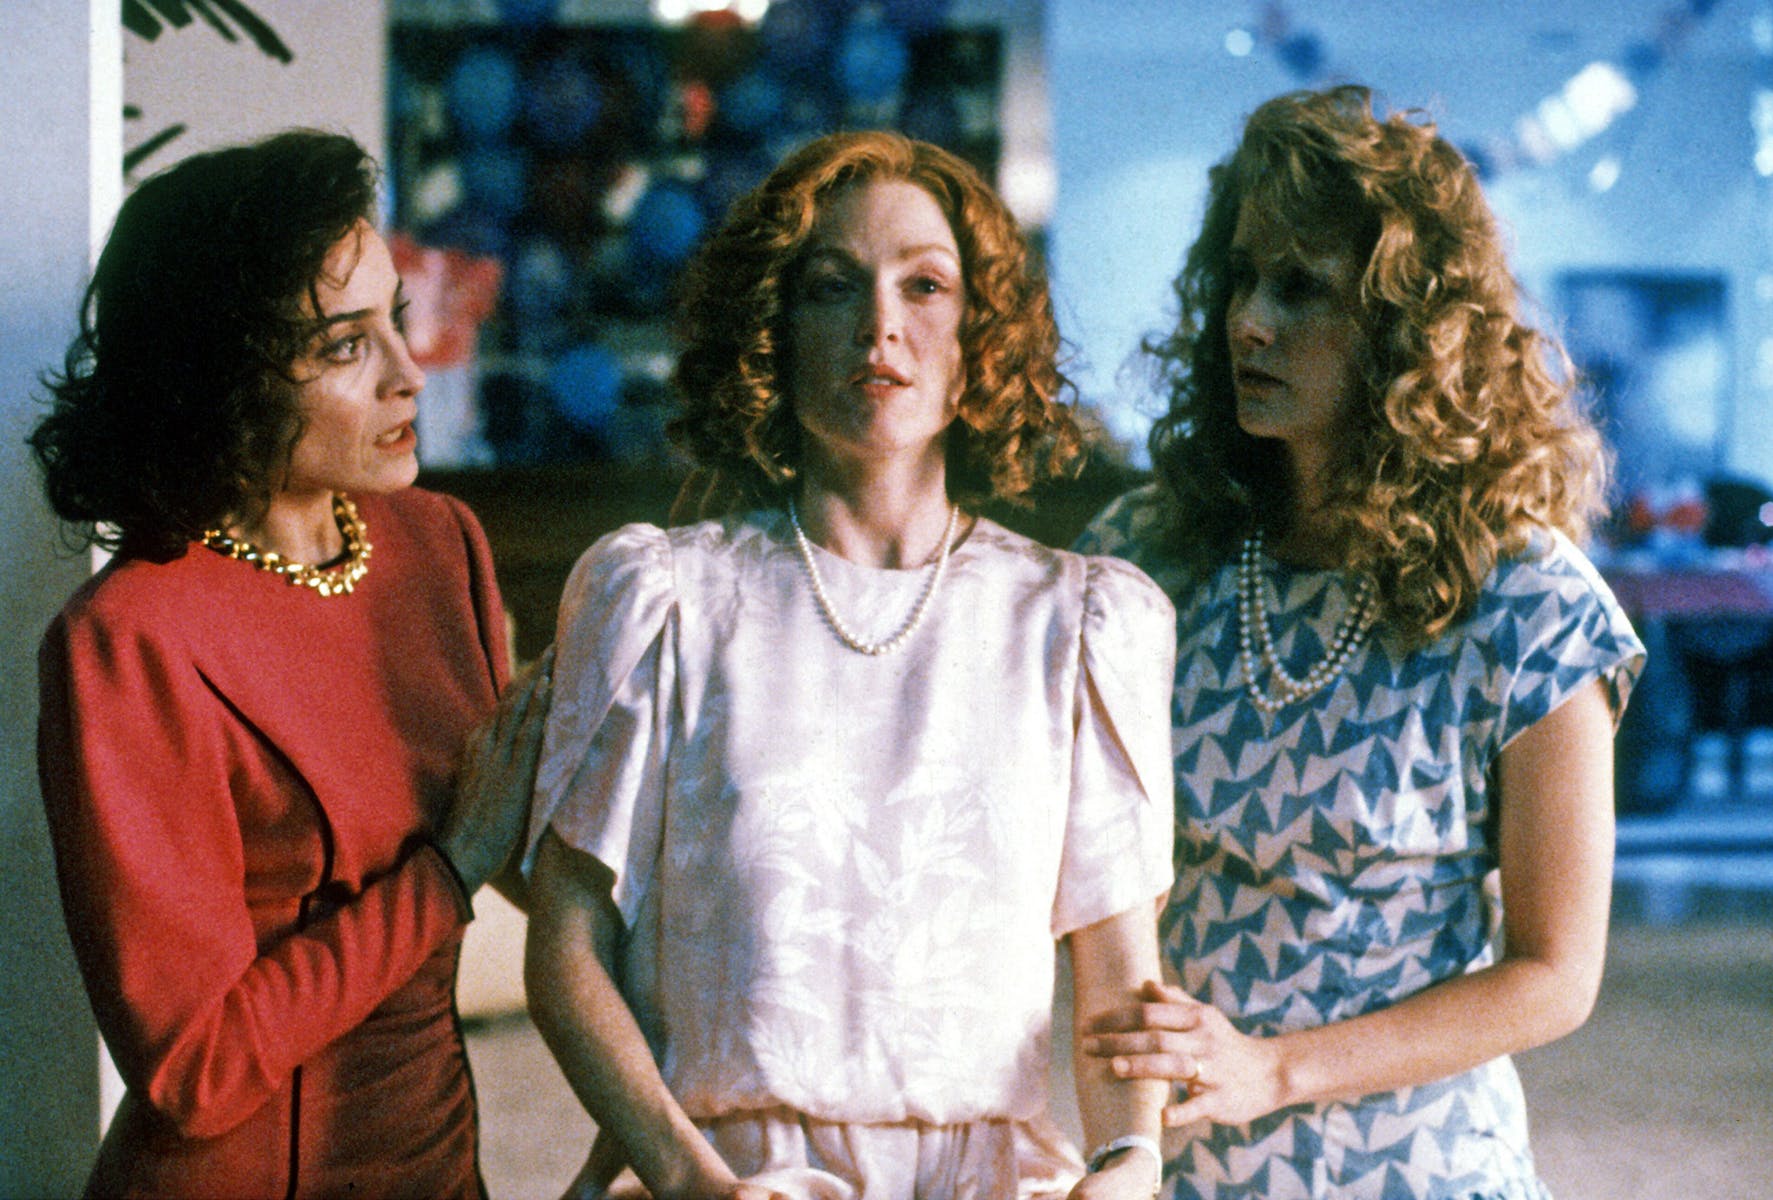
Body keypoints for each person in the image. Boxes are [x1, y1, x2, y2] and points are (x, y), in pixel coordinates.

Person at [522, 130, 1176, 1200]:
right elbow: (567, 951)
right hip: (726, 1181)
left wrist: (1129, 1161)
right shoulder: (666, 601)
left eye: (925, 285)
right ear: (773, 332)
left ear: (981, 333)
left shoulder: (1077, 624)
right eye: (832, 286)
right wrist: (689, 1180)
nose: (881, 325)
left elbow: (1118, 985)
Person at [1074, 86, 1646, 1199]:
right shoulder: (1146, 558)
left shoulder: (1528, 604)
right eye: (1242, 278)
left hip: (1426, 1170)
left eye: (1302, 288)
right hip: (1184, 1169)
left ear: (1405, 329)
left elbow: (1554, 974)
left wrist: (1273, 1068)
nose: (1249, 321)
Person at [30, 129, 549, 1198]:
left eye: (395, 319)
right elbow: (195, 1071)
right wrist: (446, 877)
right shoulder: (126, 642)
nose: (409, 373)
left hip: (441, 1168)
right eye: (346, 346)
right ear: (223, 378)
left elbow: (521, 840)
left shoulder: (438, 542)